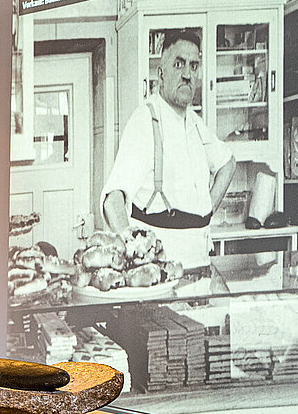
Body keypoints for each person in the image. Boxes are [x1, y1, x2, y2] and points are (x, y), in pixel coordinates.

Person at [101, 30, 236, 271]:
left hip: (201, 260)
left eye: (194, 66)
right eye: (179, 64)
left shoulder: (195, 122)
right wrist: (132, 249)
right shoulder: (146, 119)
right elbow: (113, 199)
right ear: (161, 74)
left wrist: (206, 211)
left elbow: (228, 163)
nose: (187, 74)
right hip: (162, 267)